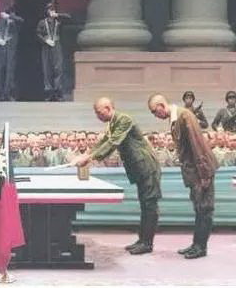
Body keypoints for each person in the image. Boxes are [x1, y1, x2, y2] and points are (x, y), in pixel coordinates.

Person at [72, 97, 161, 255]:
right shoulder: (113, 123)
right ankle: (142, 240)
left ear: (108, 108)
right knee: (144, 204)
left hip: (147, 167)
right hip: (140, 168)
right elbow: (104, 141)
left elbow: (113, 142)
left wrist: (89, 158)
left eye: (99, 113)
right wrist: (86, 154)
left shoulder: (124, 120)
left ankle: (147, 243)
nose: (97, 117)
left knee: (149, 205)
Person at [148, 93, 217, 258]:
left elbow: (197, 144)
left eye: (154, 111)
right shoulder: (175, 118)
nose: (155, 115)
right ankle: (196, 244)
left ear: (161, 106)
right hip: (195, 171)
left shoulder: (184, 115)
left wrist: (204, 174)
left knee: (204, 209)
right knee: (198, 208)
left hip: (201, 171)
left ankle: (201, 247)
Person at [0, 10, 22, 101]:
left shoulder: (11, 18)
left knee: (9, 70)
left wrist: (10, 16)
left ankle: (8, 93)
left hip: (9, 47)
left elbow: (21, 21)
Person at [36, 3, 67, 101]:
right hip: (47, 45)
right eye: (49, 9)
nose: (51, 11)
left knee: (58, 68)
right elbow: (38, 33)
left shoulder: (58, 21)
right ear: (47, 11)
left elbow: (69, 17)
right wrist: (45, 40)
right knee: (47, 68)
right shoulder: (42, 22)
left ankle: (58, 91)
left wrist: (58, 15)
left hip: (56, 45)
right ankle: (48, 92)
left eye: (53, 9)